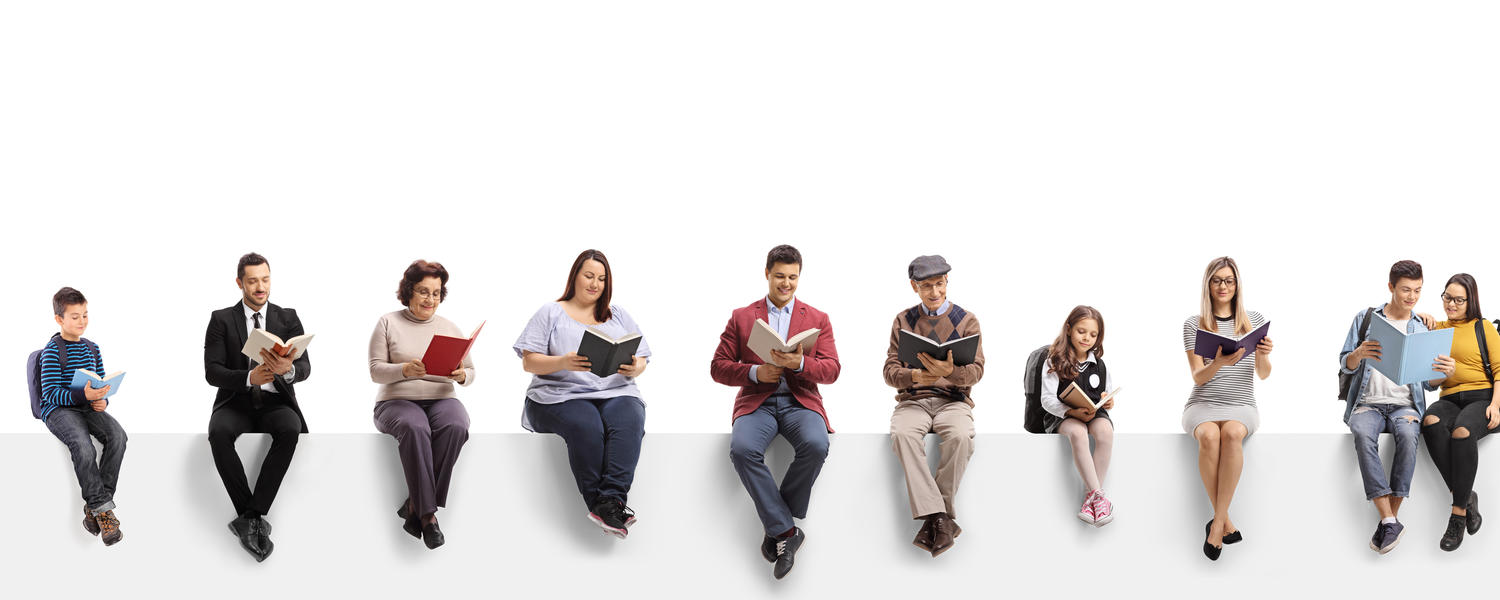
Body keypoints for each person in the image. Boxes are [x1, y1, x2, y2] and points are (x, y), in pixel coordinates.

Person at [710, 244, 840, 580]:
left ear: (800, 276)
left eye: (793, 277)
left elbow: (832, 370)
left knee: (816, 445)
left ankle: (775, 525)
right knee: (742, 450)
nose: (786, 283)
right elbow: (718, 367)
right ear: (767, 273)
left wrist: (798, 363)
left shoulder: (817, 319)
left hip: (800, 401)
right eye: (779, 276)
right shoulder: (742, 316)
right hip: (758, 402)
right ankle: (787, 532)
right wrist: (755, 373)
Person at [514, 249, 651, 539]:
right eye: (589, 276)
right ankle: (602, 505)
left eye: (601, 279)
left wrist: (633, 366)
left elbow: (642, 360)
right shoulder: (550, 312)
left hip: (614, 391)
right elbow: (529, 361)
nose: (595, 284)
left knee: (630, 418)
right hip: (558, 394)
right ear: (575, 276)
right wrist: (562, 362)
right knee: (586, 424)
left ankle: (611, 502)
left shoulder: (619, 314)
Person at [1337, 260, 1450, 554]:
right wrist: (1359, 354)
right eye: (1405, 290)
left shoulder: (1422, 326)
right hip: (1368, 404)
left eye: (1417, 290)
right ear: (1390, 287)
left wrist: (1443, 373)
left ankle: (1389, 521)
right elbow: (1344, 364)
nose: (1412, 297)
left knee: (1410, 437)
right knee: (1362, 434)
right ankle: (1390, 519)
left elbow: (1428, 383)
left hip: (1405, 406)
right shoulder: (1366, 318)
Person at [204, 253, 311, 562]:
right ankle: (251, 518)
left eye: (265, 279)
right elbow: (212, 371)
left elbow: (304, 366)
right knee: (218, 434)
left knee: (290, 429)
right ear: (240, 283)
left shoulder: (287, 316)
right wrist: (248, 377)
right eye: (252, 281)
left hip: (276, 401)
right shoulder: (221, 319)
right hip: (235, 401)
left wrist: (287, 370)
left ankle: (251, 516)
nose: (260, 286)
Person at [368, 259, 473, 550]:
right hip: (397, 401)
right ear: (409, 292)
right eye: (424, 292)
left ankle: (415, 503)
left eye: (436, 293)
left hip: (441, 397)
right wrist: (403, 370)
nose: (431, 299)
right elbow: (375, 369)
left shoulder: (450, 326)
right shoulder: (388, 322)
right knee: (415, 427)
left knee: (457, 425)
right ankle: (427, 517)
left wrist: (463, 375)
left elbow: (471, 371)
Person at [881, 255, 981, 557]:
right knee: (903, 435)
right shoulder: (903, 320)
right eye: (926, 286)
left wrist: (948, 372)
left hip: (953, 401)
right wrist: (917, 375)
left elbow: (976, 372)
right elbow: (889, 372)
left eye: (939, 284)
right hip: (914, 401)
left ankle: (935, 517)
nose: (934, 292)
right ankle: (942, 518)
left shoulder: (967, 320)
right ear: (914, 286)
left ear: (947, 282)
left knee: (962, 437)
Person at [1182, 256, 1272, 561]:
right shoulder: (1194, 324)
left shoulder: (1254, 320)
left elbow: (1263, 374)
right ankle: (1225, 523)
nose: (1223, 286)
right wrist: (1218, 362)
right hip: (1202, 403)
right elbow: (1197, 375)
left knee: (1232, 433)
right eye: (1217, 280)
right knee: (1209, 436)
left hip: (1242, 403)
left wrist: (1263, 355)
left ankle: (1217, 524)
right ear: (1208, 284)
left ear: (1237, 285)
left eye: (1229, 280)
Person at [38, 287, 127, 546]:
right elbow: (51, 393)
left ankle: (96, 509)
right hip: (59, 410)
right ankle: (104, 511)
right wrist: (83, 398)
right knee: (83, 447)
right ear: (59, 319)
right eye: (75, 316)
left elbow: (99, 382)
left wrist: (102, 400)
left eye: (85, 315)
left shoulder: (92, 348)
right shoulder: (52, 350)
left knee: (118, 436)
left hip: (87, 406)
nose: (82, 321)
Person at [1421, 273, 1500, 551]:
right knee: (1430, 421)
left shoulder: (1483, 327)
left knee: (1462, 432)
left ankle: (1457, 515)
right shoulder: (1436, 330)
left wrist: (1495, 404)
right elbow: (1429, 382)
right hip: (1450, 398)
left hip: (1483, 398)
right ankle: (1467, 497)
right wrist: (1420, 320)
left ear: (1470, 301)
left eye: (1458, 300)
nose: (1451, 304)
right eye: (1447, 297)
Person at [1038, 305, 1118, 527]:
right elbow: (1047, 400)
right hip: (1065, 415)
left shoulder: (1099, 365)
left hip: (1093, 412)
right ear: (1069, 329)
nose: (1087, 338)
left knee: (1105, 432)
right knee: (1078, 432)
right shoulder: (1053, 361)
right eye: (1082, 331)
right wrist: (1070, 411)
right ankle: (1098, 496)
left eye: (1093, 335)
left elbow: (1105, 392)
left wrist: (1107, 401)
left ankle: (1090, 499)